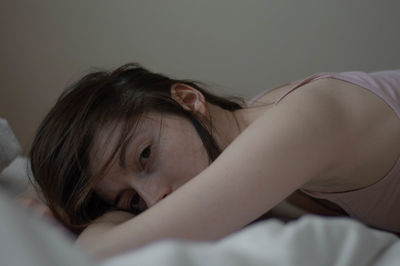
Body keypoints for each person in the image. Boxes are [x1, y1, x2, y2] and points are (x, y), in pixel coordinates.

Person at [27, 63, 400, 258]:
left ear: (189, 101)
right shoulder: (257, 116)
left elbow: (102, 251)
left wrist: (107, 218)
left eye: (145, 156)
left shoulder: (296, 125)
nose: (156, 198)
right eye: (133, 201)